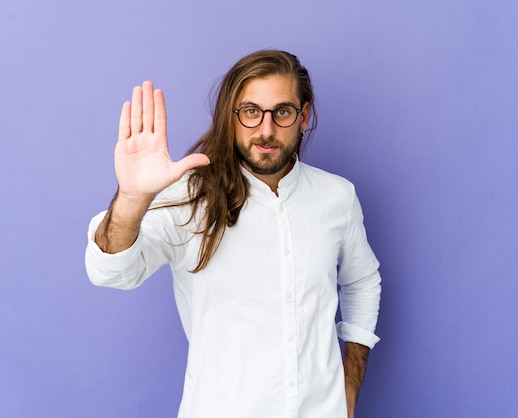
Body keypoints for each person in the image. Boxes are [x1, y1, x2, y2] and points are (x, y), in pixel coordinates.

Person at [85, 49, 382, 418]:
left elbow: (363, 281)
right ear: (232, 116)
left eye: (283, 112)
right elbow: (110, 272)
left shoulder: (337, 196)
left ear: (303, 116)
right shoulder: (189, 198)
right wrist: (131, 199)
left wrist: (350, 381)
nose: (266, 130)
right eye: (251, 111)